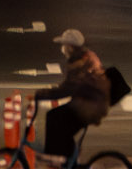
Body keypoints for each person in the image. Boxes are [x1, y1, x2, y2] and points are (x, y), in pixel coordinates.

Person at [43, 28, 116, 168]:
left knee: (54, 118)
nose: (62, 49)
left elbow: (67, 89)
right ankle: (68, 162)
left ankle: (54, 161)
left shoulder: (78, 62)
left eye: (63, 45)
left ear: (70, 47)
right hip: (90, 103)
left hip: (90, 107)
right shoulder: (86, 56)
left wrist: (41, 95)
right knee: (60, 124)